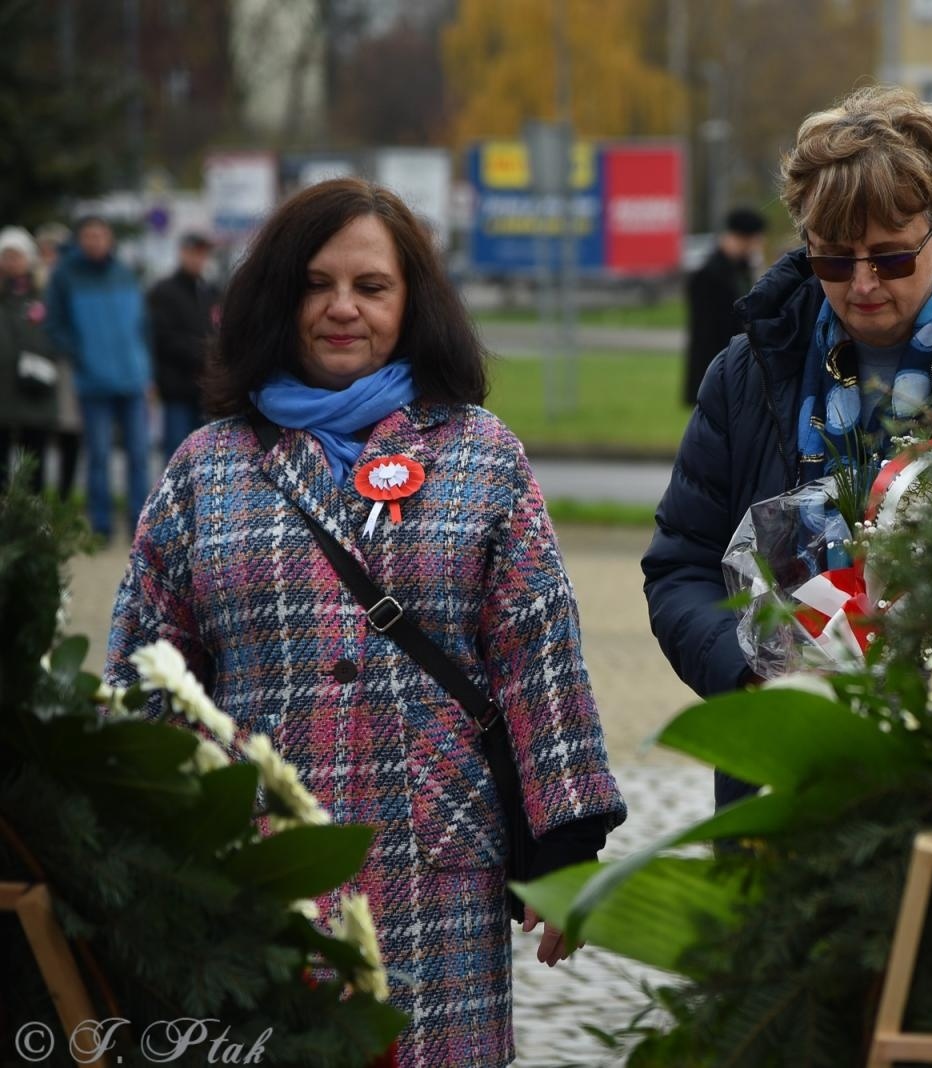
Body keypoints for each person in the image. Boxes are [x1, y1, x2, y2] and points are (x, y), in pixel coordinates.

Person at [105, 179, 626, 1065]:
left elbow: (536, 649)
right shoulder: (208, 468)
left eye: (372, 287)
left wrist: (566, 841)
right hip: (261, 867)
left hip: (436, 859)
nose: (342, 308)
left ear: (411, 301)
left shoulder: (479, 452)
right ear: (277, 297)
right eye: (316, 284)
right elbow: (145, 668)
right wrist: (136, 845)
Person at [642, 85, 932, 808]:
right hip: (789, 774)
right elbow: (682, 566)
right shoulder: (748, 370)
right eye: (832, 260)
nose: (861, 286)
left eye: (889, 258)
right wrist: (753, 679)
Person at [45, 216, 151, 538]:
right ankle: (101, 525)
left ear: (110, 239)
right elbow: (54, 326)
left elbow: (142, 326)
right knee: (99, 457)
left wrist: (146, 369)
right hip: (93, 382)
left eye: (101, 235)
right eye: (89, 236)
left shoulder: (124, 273)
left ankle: (139, 524)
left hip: (132, 378)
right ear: (80, 240)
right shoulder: (64, 276)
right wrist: (82, 356)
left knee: (139, 455)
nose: (96, 241)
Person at [147, 231, 220, 460]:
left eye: (202, 254)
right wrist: (205, 351)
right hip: (176, 389)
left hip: (206, 391)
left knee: (205, 458)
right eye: (194, 253)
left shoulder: (209, 292)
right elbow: (163, 338)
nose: (198, 259)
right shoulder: (163, 291)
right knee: (177, 456)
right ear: (182, 253)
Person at [684, 207, 766, 405]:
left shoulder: (743, 269)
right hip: (716, 364)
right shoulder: (708, 275)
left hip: (735, 364)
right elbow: (707, 332)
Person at [0, 227, 60, 493]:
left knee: (33, 460)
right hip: (3, 391)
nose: (12, 262)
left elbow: (57, 334)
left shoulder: (45, 294)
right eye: (6, 255)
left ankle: (33, 519)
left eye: (17, 255)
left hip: (36, 389)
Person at [34, 222, 81, 498]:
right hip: (34, 366)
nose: (52, 255)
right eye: (46, 249)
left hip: (65, 364)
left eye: (58, 249)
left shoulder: (69, 281)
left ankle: (64, 498)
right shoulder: (31, 282)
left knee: (69, 430)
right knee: (36, 434)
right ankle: (33, 499)